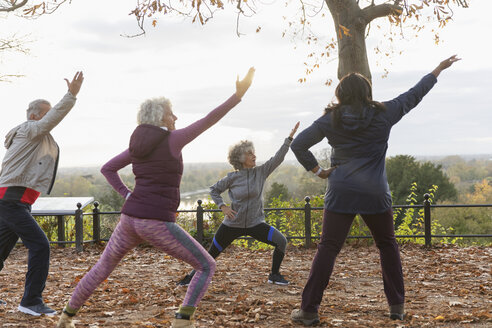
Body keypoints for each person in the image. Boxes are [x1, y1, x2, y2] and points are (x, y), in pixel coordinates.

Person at [56, 67, 255, 328]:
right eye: (171, 112)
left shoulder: (137, 145)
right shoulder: (173, 139)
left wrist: (127, 194)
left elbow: (108, 168)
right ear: (161, 116)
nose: (176, 117)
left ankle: (66, 317)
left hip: (129, 220)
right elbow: (208, 120)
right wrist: (237, 96)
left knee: (101, 268)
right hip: (155, 222)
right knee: (206, 266)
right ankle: (182, 322)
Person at [289, 56, 460, 326]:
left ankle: (309, 310)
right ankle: (397, 308)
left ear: (340, 94)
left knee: (328, 248)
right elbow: (414, 95)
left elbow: (298, 144)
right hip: (375, 193)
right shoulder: (384, 113)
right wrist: (437, 70)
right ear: (368, 92)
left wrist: (318, 171)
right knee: (387, 245)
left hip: (342, 192)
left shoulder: (329, 119)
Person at [0, 72, 84, 316]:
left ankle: (31, 300)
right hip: (12, 201)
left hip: (14, 201)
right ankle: (31, 301)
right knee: (40, 245)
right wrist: (71, 96)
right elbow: (55, 116)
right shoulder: (29, 130)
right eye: (47, 114)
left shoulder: (35, 136)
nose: (51, 118)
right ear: (34, 116)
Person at [178, 122, 300, 288]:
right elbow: (214, 190)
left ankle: (274, 275)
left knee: (281, 241)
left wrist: (289, 138)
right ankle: (190, 278)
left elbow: (278, 158)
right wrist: (223, 206)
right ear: (241, 158)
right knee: (211, 254)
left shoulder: (261, 172)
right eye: (249, 153)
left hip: (255, 223)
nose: (254, 155)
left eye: (253, 152)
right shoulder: (232, 177)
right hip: (232, 224)